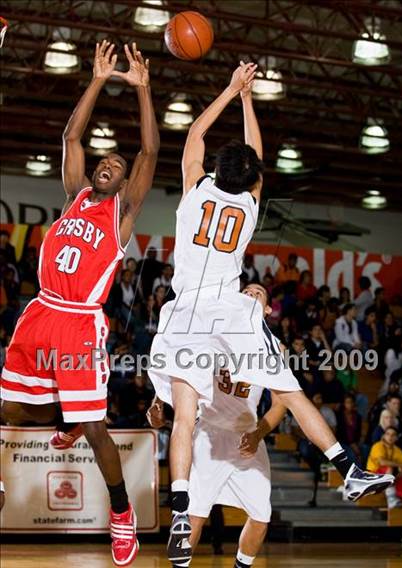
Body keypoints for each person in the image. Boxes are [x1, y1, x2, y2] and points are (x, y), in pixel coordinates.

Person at [147, 62, 393, 567]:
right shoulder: (251, 205)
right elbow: (255, 157)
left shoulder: (195, 190)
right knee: (289, 390)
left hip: (189, 310)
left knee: (185, 417)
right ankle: (347, 468)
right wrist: (248, 98)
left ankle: (178, 509)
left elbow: (195, 132)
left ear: (216, 170)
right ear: (251, 179)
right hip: (231, 310)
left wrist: (228, 88)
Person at [0, 41, 159, 566]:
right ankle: (61, 419)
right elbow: (71, 135)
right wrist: (95, 78)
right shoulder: (74, 197)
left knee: (94, 428)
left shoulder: (121, 214)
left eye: (116, 163)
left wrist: (142, 90)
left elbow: (149, 154)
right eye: (105, 160)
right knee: (12, 408)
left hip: (79, 323)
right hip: (39, 312)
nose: (110, 164)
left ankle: (120, 511)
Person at [149, 284, 289, 568]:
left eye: (257, 293)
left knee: (262, 517)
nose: (249, 294)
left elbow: (280, 405)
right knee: (194, 517)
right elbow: (180, 369)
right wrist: (158, 400)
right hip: (209, 434)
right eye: (246, 291)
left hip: (247, 438)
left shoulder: (277, 349)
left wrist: (260, 432)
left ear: (267, 309)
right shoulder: (212, 335)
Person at [367, 427, 402, 508]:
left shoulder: (398, 451)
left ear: (396, 438)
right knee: (389, 468)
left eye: (393, 435)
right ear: (383, 436)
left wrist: (401, 469)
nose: (390, 437)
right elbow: (382, 462)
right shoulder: (377, 446)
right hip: (373, 476)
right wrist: (400, 465)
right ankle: (392, 500)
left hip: (389, 479)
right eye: (388, 434)